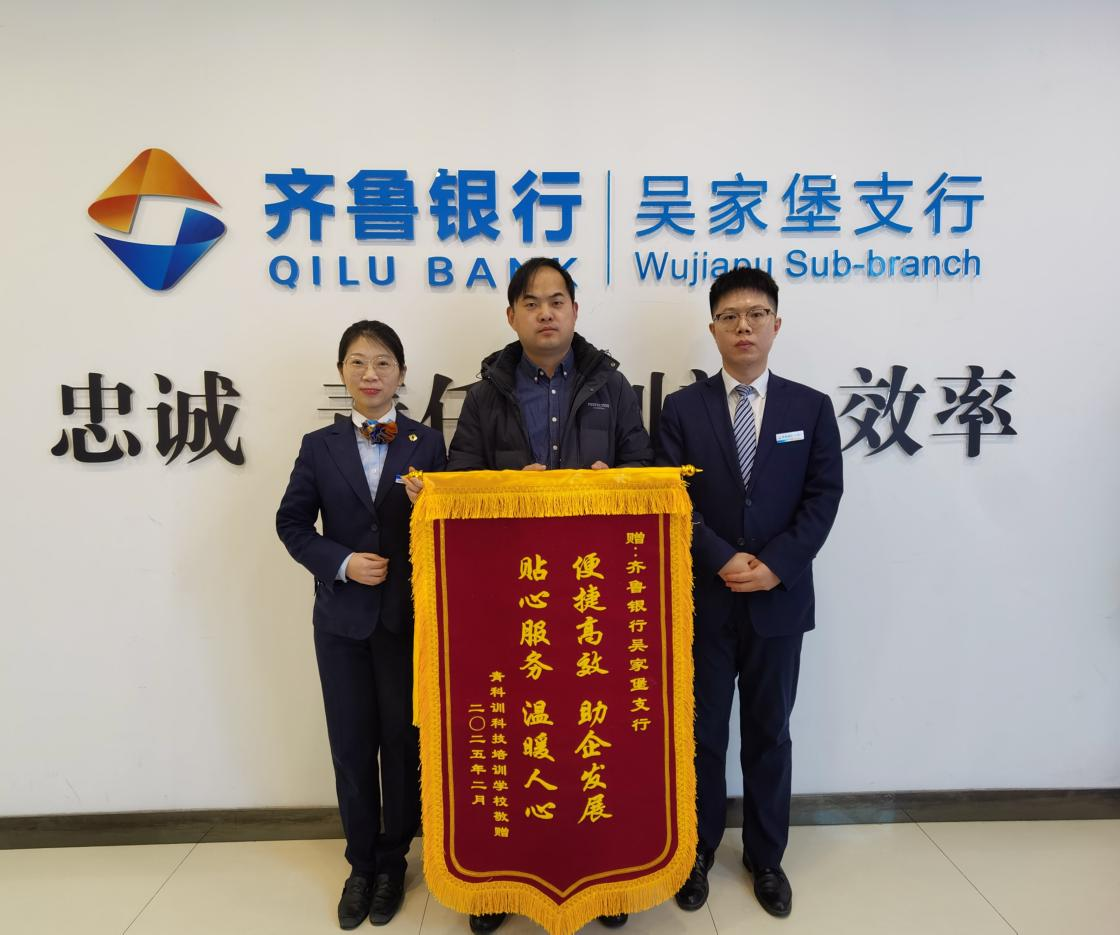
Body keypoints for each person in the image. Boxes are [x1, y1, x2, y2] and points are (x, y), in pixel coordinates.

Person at [415, 257, 651, 934]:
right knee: (519, 735)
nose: (545, 312)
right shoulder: (486, 393)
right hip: (509, 597)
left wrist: (613, 482)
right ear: (511, 315)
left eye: (557, 300)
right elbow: (460, 479)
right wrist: (512, 482)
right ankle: (496, 881)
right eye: (531, 302)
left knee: (595, 734)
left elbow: (645, 469)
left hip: (593, 598)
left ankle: (606, 875)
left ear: (575, 311)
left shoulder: (611, 384)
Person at [656, 267, 842, 919]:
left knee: (770, 732)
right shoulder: (682, 409)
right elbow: (672, 496)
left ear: (776, 325)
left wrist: (775, 565)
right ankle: (696, 852)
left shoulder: (809, 407)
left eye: (756, 315)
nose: (744, 327)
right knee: (700, 734)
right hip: (704, 601)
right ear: (713, 329)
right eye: (730, 316)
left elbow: (823, 496)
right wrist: (721, 556)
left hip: (777, 601)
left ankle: (766, 857)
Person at [276, 320, 447, 929]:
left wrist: (431, 505)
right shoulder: (318, 445)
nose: (370, 374)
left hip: (407, 621)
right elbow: (292, 524)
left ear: (401, 373)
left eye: (382, 363)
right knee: (351, 746)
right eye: (357, 362)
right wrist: (343, 562)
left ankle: (394, 862)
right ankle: (360, 863)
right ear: (342, 372)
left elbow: (452, 529)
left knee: (402, 745)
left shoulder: (428, 443)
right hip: (341, 621)